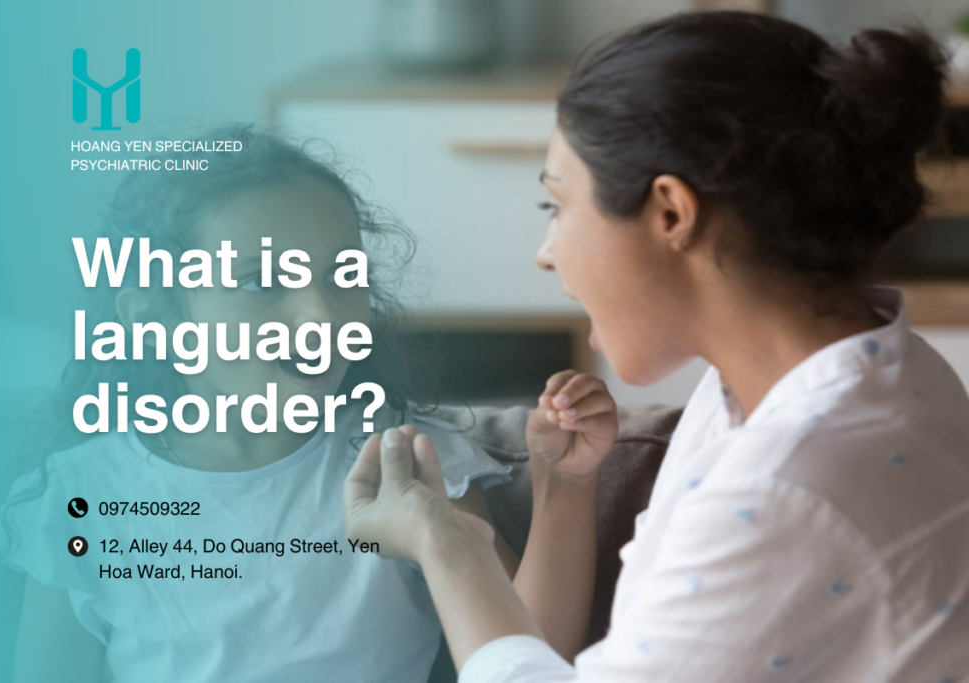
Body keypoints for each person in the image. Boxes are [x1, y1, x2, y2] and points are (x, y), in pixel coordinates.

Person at [342, 12, 969, 682]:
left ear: (671, 212)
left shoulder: (783, 487)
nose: (546, 253)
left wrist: (448, 544)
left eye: (557, 206)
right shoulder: (871, 368)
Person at [0, 125, 559, 683]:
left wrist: (566, 488)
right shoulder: (79, 497)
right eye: (261, 283)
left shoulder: (410, 463)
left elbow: (534, 663)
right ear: (156, 319)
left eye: (341, 276)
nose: (320, 315)